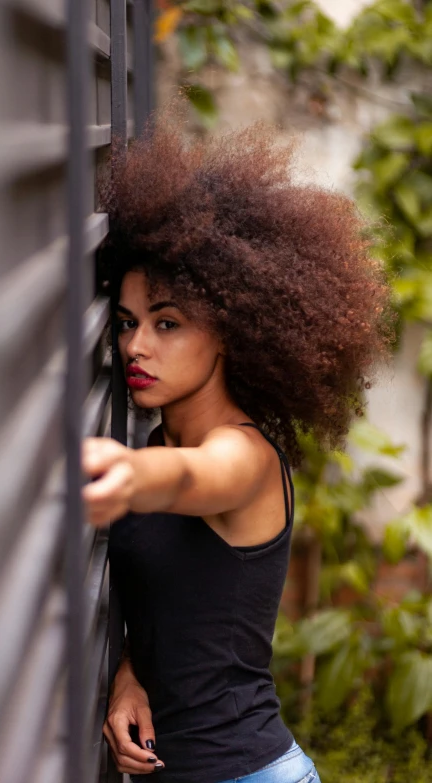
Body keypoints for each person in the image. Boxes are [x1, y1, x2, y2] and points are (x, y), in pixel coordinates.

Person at [81, 107, 394, 783]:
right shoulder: (162, 436)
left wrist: (127, 472)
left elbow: (195, 479)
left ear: (230, 330)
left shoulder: (244, 459)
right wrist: (132, 675)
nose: (136, 345)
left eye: (168, 323)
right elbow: (182, 598)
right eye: (130, 322)